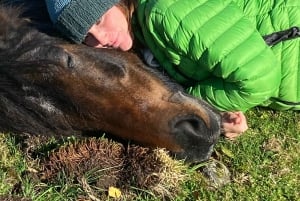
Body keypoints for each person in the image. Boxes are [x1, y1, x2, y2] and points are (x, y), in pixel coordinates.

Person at [44, 0, 300, 139]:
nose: (101, 38)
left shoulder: (166, 11)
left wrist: (201, 106)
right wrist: (221, 113)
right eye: (87, 37)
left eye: (98, 20)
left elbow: (258, 78)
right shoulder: (145, 36)